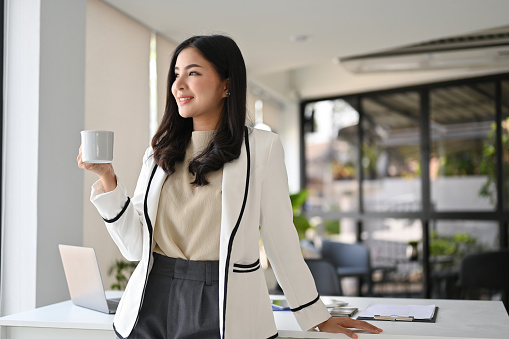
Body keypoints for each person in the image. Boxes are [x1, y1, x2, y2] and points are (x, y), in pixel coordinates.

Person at [78, 34, 383, 339]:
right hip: (152, 298)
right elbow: (134, 247)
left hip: (224, 301)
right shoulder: (159, 151)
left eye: (193, 73)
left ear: (226, 84)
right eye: (176, 74)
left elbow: (280, 239)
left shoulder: (262, 148)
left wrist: (315, 314)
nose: (178, 85)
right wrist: (108, 180)